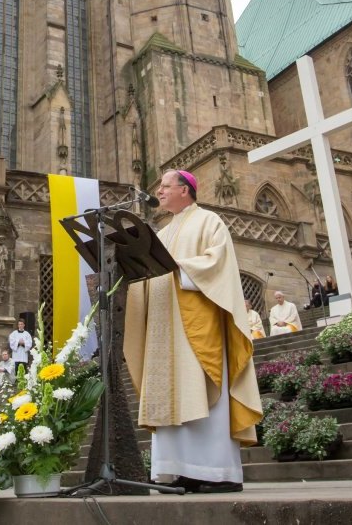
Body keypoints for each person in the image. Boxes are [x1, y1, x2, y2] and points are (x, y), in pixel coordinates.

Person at [124, 169, 262, 493]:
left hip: (196, 325)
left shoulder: (209, 221)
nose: (159, 190)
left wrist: (176, 270)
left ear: (185, 190)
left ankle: (219, 473)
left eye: (165, 185)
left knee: (202, 393)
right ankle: (180, 470)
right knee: (170, 395)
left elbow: (218, 263)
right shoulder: (162, 231)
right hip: (165, 327)